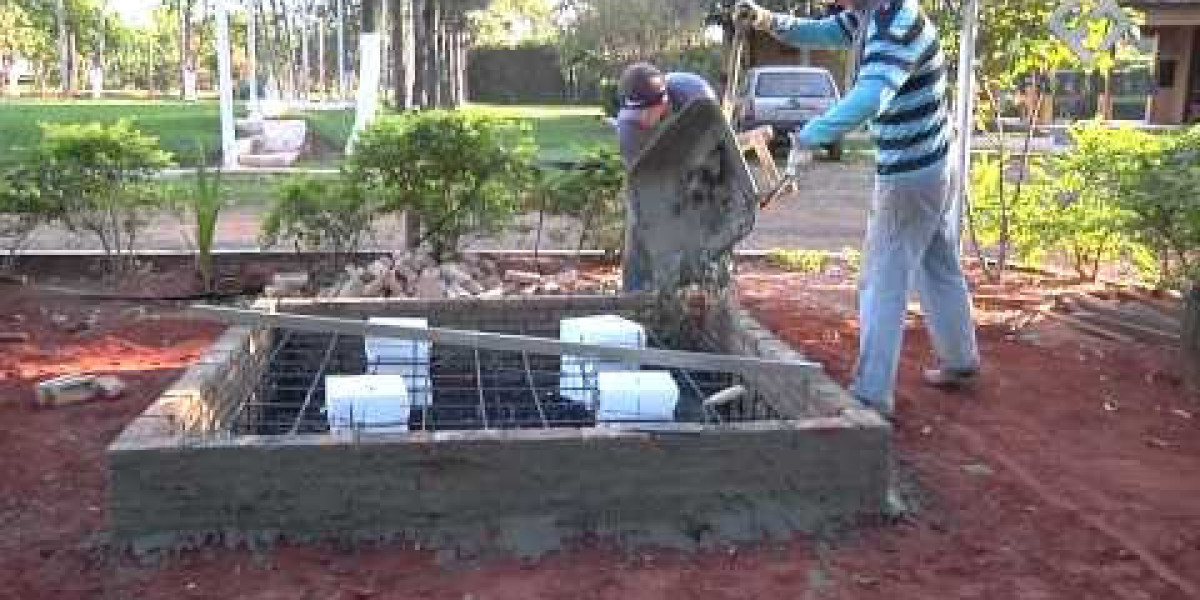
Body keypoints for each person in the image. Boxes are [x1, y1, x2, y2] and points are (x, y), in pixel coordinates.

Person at [735, 0, 980, 418]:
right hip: (933, 164)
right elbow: (819, 31)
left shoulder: (897, 23)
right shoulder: (871, 13)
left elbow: (872, 96)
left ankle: (870, 395)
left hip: (910, 174)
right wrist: (766, 20)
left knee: (882, 280)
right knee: (937, 263)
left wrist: (810, 135)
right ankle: (960, 359)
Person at [614, 63, 717, 291]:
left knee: (701, 219)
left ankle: (703, 289)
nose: (639, 118)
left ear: (662, 103)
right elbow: (642, 182)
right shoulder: (629, 126)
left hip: (699, 146)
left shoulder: (697, 100)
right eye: (634, 112)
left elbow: (715, 151)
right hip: (659, 161)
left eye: (645, 112)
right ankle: (635, 294)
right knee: (640, 221)